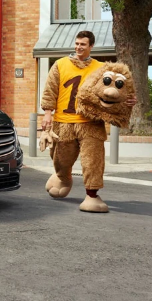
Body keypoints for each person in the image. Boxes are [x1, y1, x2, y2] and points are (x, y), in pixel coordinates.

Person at [40, 30, 136, 212]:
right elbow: (50, 91)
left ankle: (92, 195)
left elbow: (117, 90)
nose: (78, 47)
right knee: (61, 159)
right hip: (64, 123)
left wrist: (129, 100)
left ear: (91, 46)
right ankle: (63, 176)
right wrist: (47, 113)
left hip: (91, 123)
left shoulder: (102, 68)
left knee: (93, 160)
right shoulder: (60, 65)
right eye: (77, 43)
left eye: (83, 44)